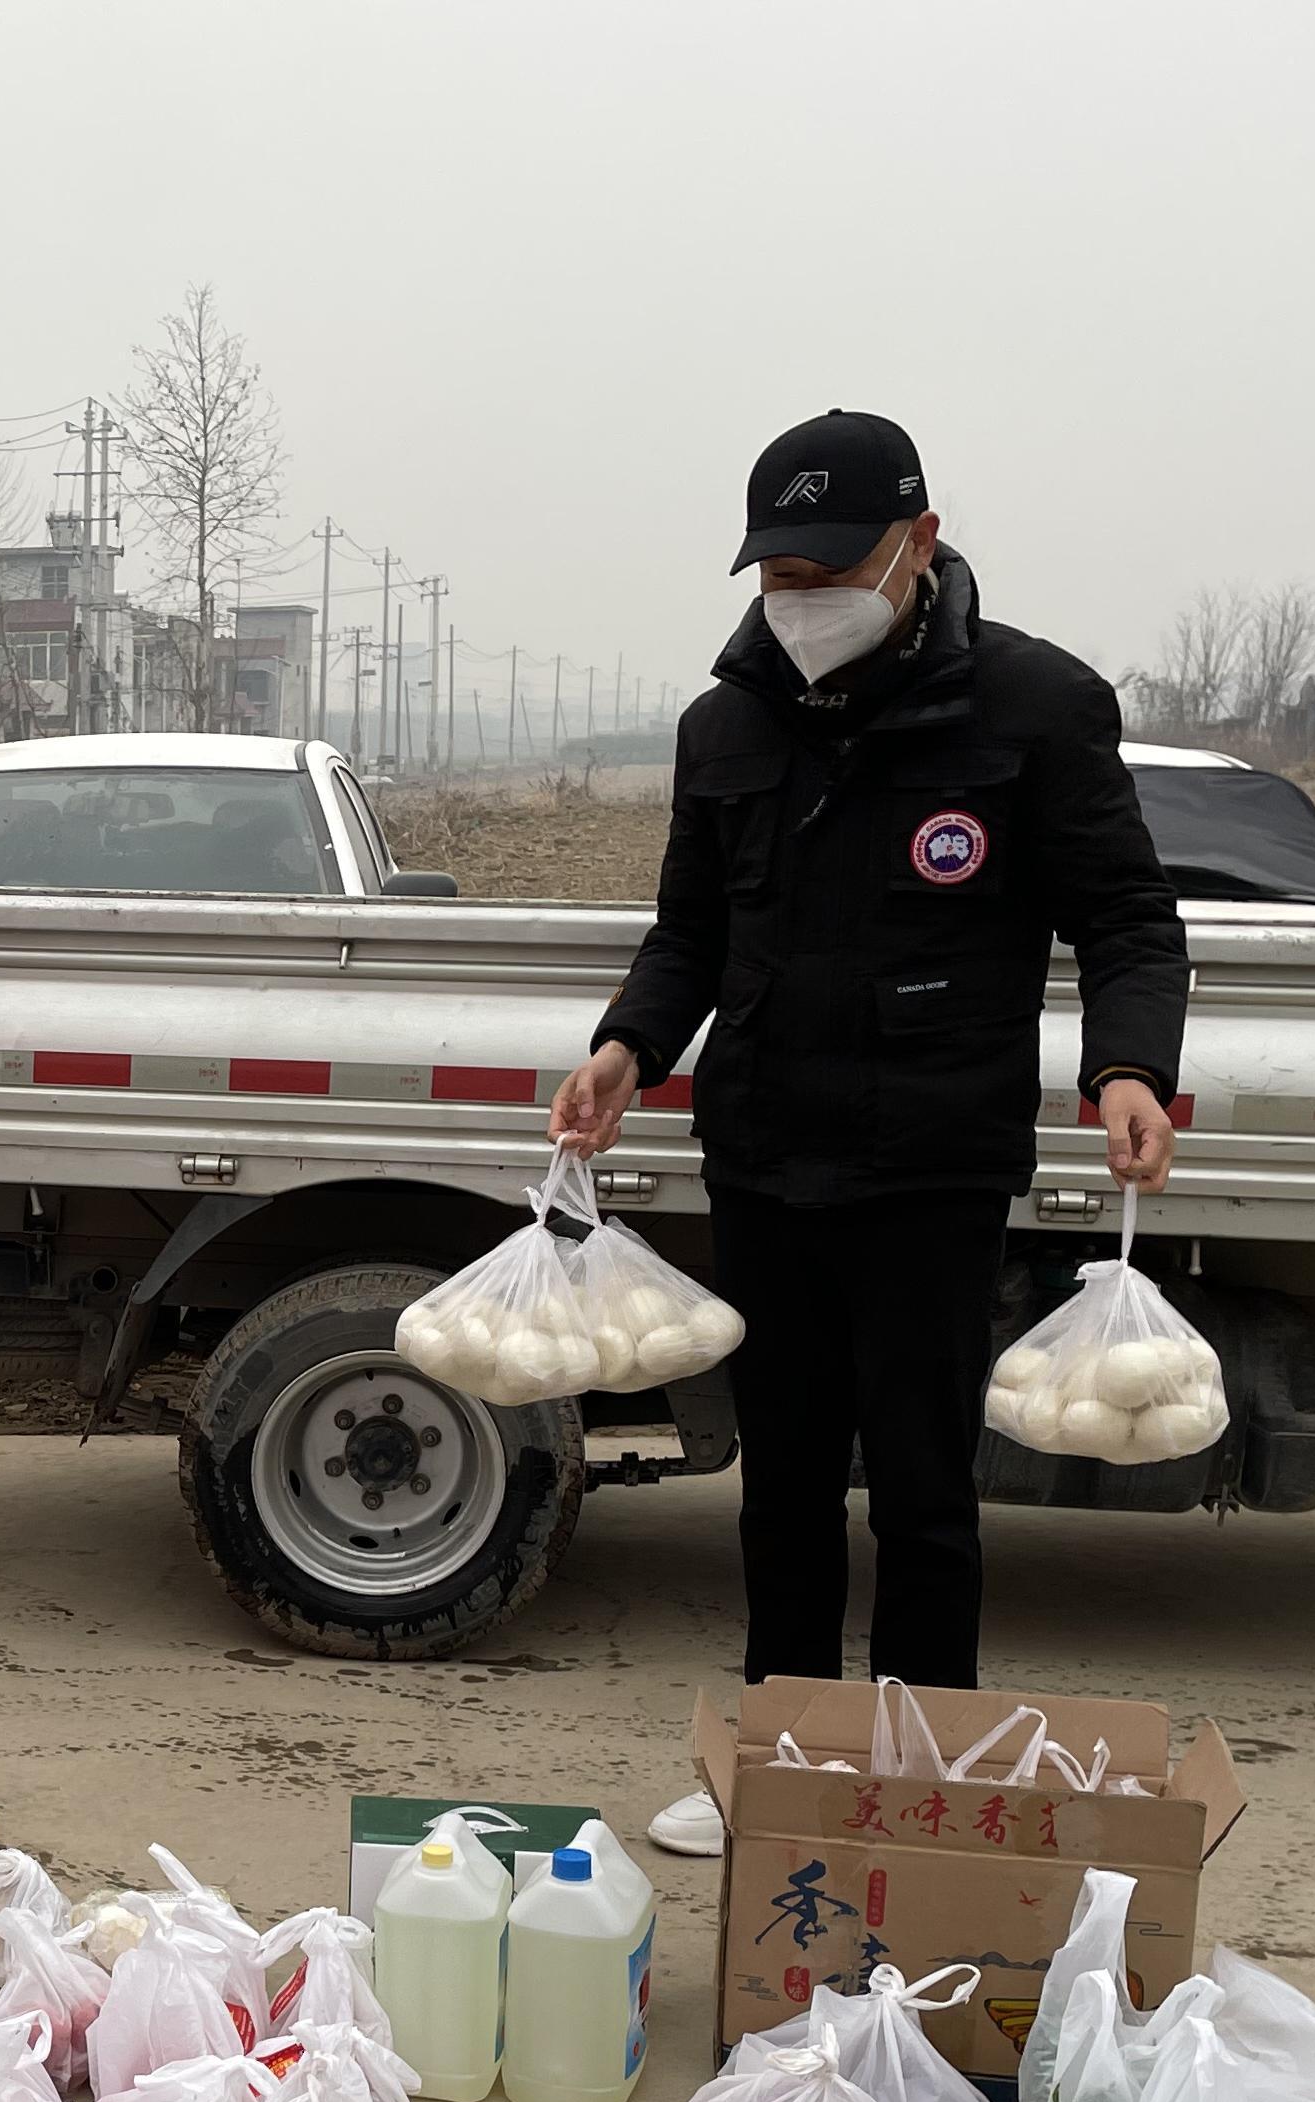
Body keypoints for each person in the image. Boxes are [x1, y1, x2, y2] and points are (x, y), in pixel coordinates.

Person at [547, 409, 1184, 1827]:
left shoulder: (1034, 710)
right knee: (778, 1489)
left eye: (829, 572)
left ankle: (922, 1774)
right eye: (777, 577)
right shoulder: (725, 724)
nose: (802, 603)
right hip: (766, 1153)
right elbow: (691, 933)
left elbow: (1130, 922)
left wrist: (1127, 1066)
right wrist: (626, 1043)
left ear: (921, 545)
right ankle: (785, 1758)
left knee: (922, 1493)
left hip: (931, 1167)